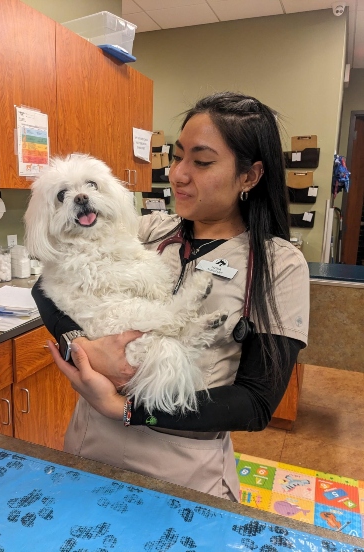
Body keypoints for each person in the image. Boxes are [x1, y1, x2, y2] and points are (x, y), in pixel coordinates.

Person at [33, 91, 309, 501]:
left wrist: (127, 409)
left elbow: (256, 404)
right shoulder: (148, 230)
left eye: (201, 161)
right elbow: (45, 285)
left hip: (183, 466)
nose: (178, 174)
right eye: (178, 157)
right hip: (90, 444)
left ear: (249, 176)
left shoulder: (278, 264)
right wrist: (83, 345)